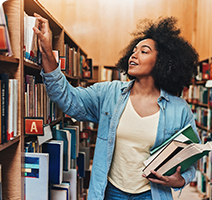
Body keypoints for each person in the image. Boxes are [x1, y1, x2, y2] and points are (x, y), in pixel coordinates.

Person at [33, 13, 200, 200]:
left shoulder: (180, 109)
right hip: (111, 191)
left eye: (143, 51)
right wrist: (47, 51)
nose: (133, 55)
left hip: (151, 194)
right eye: (133, 50)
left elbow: (192, 155)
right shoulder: (109, 93)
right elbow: (68, 100)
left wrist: (181, 180)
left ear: (162, 62)